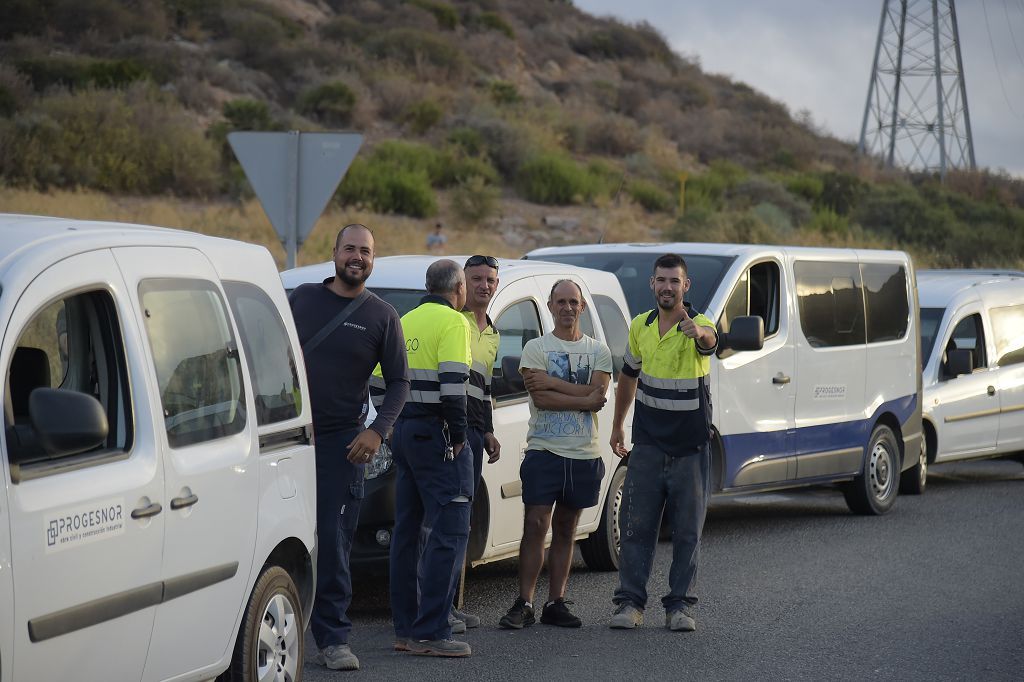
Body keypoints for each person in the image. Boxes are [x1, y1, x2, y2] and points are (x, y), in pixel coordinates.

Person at [289, 224, 410, 671]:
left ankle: (333, 637)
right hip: (284, 439)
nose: (357, 257)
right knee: (273, 535)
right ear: (334, 253)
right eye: (350, 249)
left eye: (366, 251)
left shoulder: (382, 316)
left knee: (335, 542)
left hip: (343, 445)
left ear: (372, 259)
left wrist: (377, 431)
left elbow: (400, 381)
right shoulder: (301, 297)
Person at [607, 253, 718, 633]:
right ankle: (629, 604)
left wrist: (699, 333)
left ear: (686, 286)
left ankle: (680, 607)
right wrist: (618, 424)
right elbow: (628, 376)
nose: (668, 287)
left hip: (690, 448)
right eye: (662, 280)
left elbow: (710, 341)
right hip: (649, 444)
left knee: (687, 531)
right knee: (636, 527)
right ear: (652, 285)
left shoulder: (698, 324)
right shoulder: (641, 325)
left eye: (675, 281)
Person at [498, 279, 612, 630]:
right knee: (535, 525)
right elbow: (544, 399)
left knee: (567, 528)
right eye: (560, 302)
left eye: (573, 302)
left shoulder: (599, 351)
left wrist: (553, 383)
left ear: (582, 307)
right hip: (544, 450)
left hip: (583, 453)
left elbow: (600, 395)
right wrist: (583, 398)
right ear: (550, 306)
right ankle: (525, 602)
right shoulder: (536, 348)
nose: (567, 308)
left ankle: (555, 602)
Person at [389, 259, 475, 657]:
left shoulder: (404, 321)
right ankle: (432, 631)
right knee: (451, 528)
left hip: (403, 431)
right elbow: (454, 387)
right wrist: (459, 437)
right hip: (438, 435)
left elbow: (379, 382)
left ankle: (406, 630)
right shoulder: (455, 323)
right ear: (458, 289)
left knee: (407, 532)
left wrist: (393, 426)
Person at [450, 254, 503, 632]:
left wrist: (487, 431)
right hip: (449, 433)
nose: (484, 285)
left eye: (490, 279)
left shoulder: (494, 333)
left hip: (473, 434)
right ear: (462, 282)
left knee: (463, 522)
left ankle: (454, 605)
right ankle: (439, 608)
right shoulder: (455, 322)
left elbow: (483, 390)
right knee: (447, 521)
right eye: (477, 278)